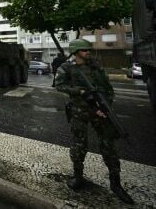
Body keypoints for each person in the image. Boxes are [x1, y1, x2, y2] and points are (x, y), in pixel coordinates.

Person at [55, 39, 134, 204]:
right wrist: (80, 91)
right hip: (79, 111)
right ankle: (78, 177)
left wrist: (105, 107)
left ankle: (116, 183)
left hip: (99, 112)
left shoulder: (96, 67)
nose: (88, 52)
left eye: (88, 49)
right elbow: (59, 85)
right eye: (84, 50)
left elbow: (108, 89)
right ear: (76, 52)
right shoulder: (67, 68)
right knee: (79, 145)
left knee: (108, 146)